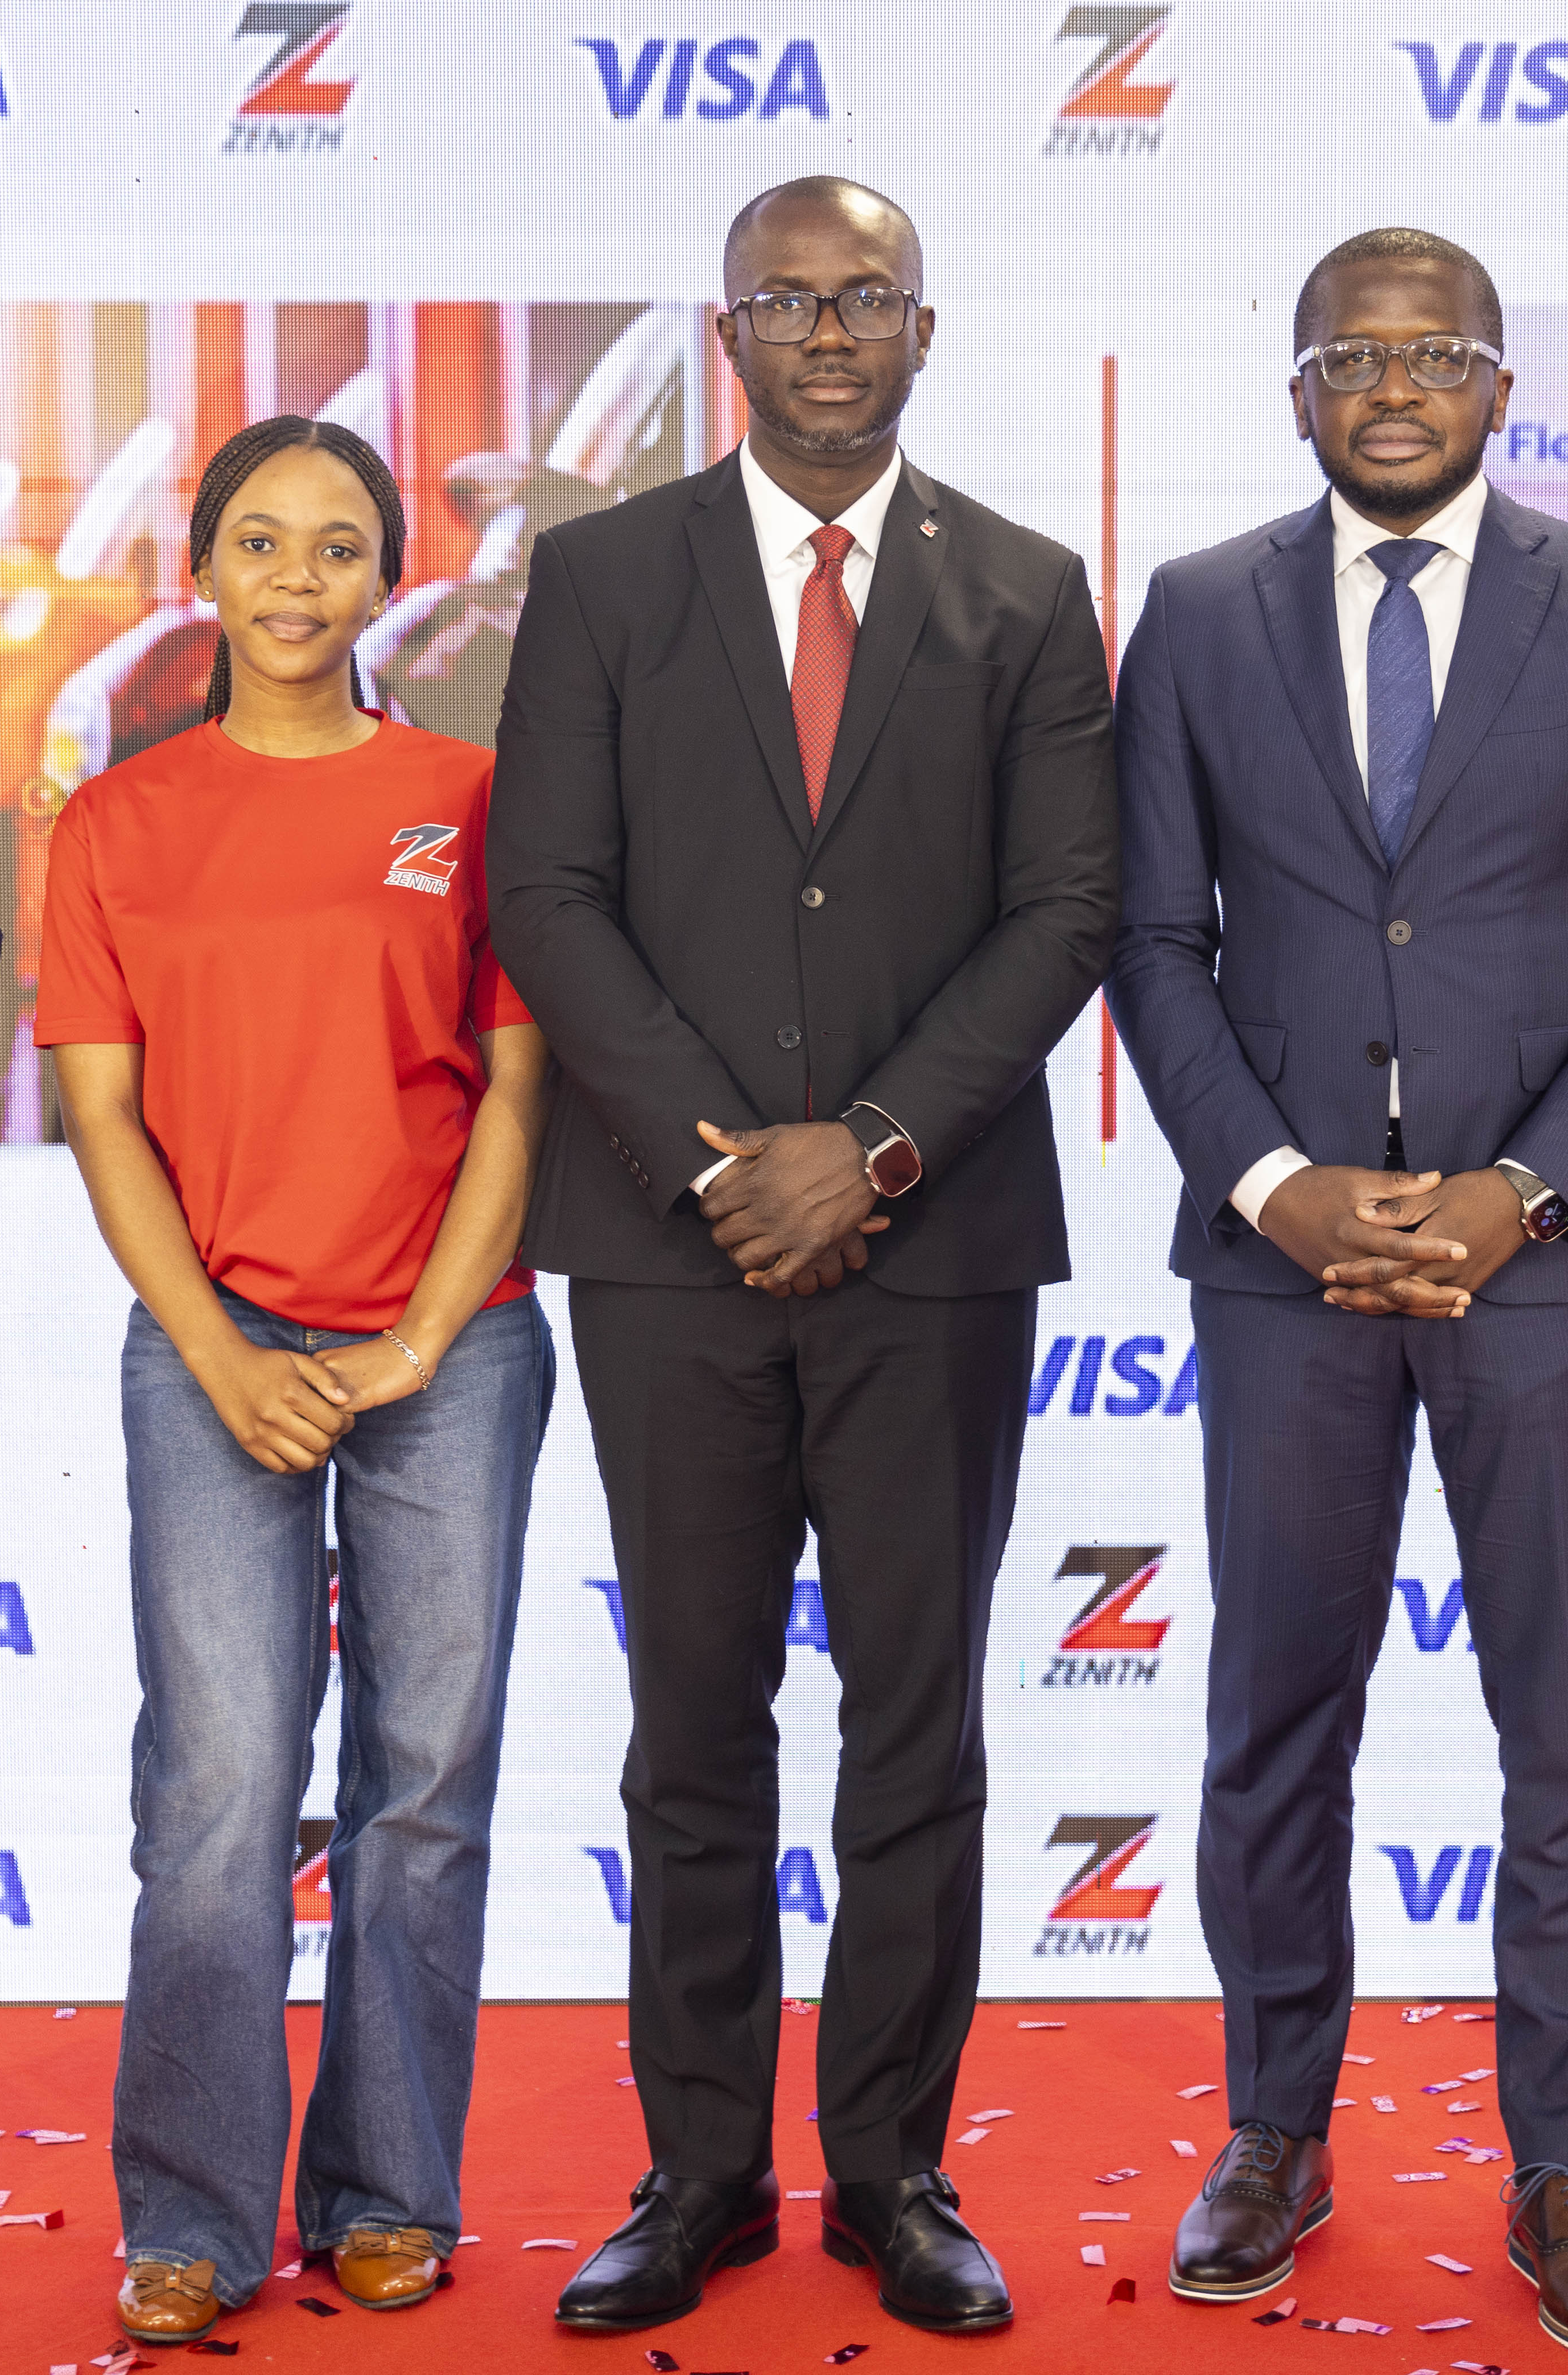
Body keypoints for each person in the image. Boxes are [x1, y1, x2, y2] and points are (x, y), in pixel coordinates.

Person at [1107, 227, 1568, 2365]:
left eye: (1438, 351)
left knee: (1567, 1733)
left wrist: (1529, 1194)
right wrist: (1279, 1187)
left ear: (1501, 383)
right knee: (1275, 1717)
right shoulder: (1199, 610)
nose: (1395, 386)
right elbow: (1154, 944)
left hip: (1544, 1278)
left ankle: (1567, 2166)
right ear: (1299, 389)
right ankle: (1274, 2131)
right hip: (1280, 1271)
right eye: (1353, 355)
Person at [488, 176, 1117, 2339]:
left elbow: (1067, 909)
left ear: (925, 333)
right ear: (729, 332)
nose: (830, 333)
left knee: (917, 1732)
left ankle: (894, 2171)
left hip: (932, 1252)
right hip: (670, 1259)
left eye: (868, 301)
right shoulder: (601, 576)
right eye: (790, 299)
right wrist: (720, 1166)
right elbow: (547, 893)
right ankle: (698, 2174)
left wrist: (869, 1153)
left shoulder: (1027, 590)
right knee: (693, 1727)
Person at [35, 418, 556, 2348]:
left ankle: (389, 2191)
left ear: (387, 581)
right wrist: (222, 1352)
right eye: (260, 541)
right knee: (220, 1788)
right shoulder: (118, 821)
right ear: (201, 567)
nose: (296, 579)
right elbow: (102, 1120)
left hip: (456, 1349)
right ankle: (190, 2212)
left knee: (425, 1784)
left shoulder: (472, 798)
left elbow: (520, 1089)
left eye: (339, 546)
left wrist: (413, 1341)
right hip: (213, 1353)